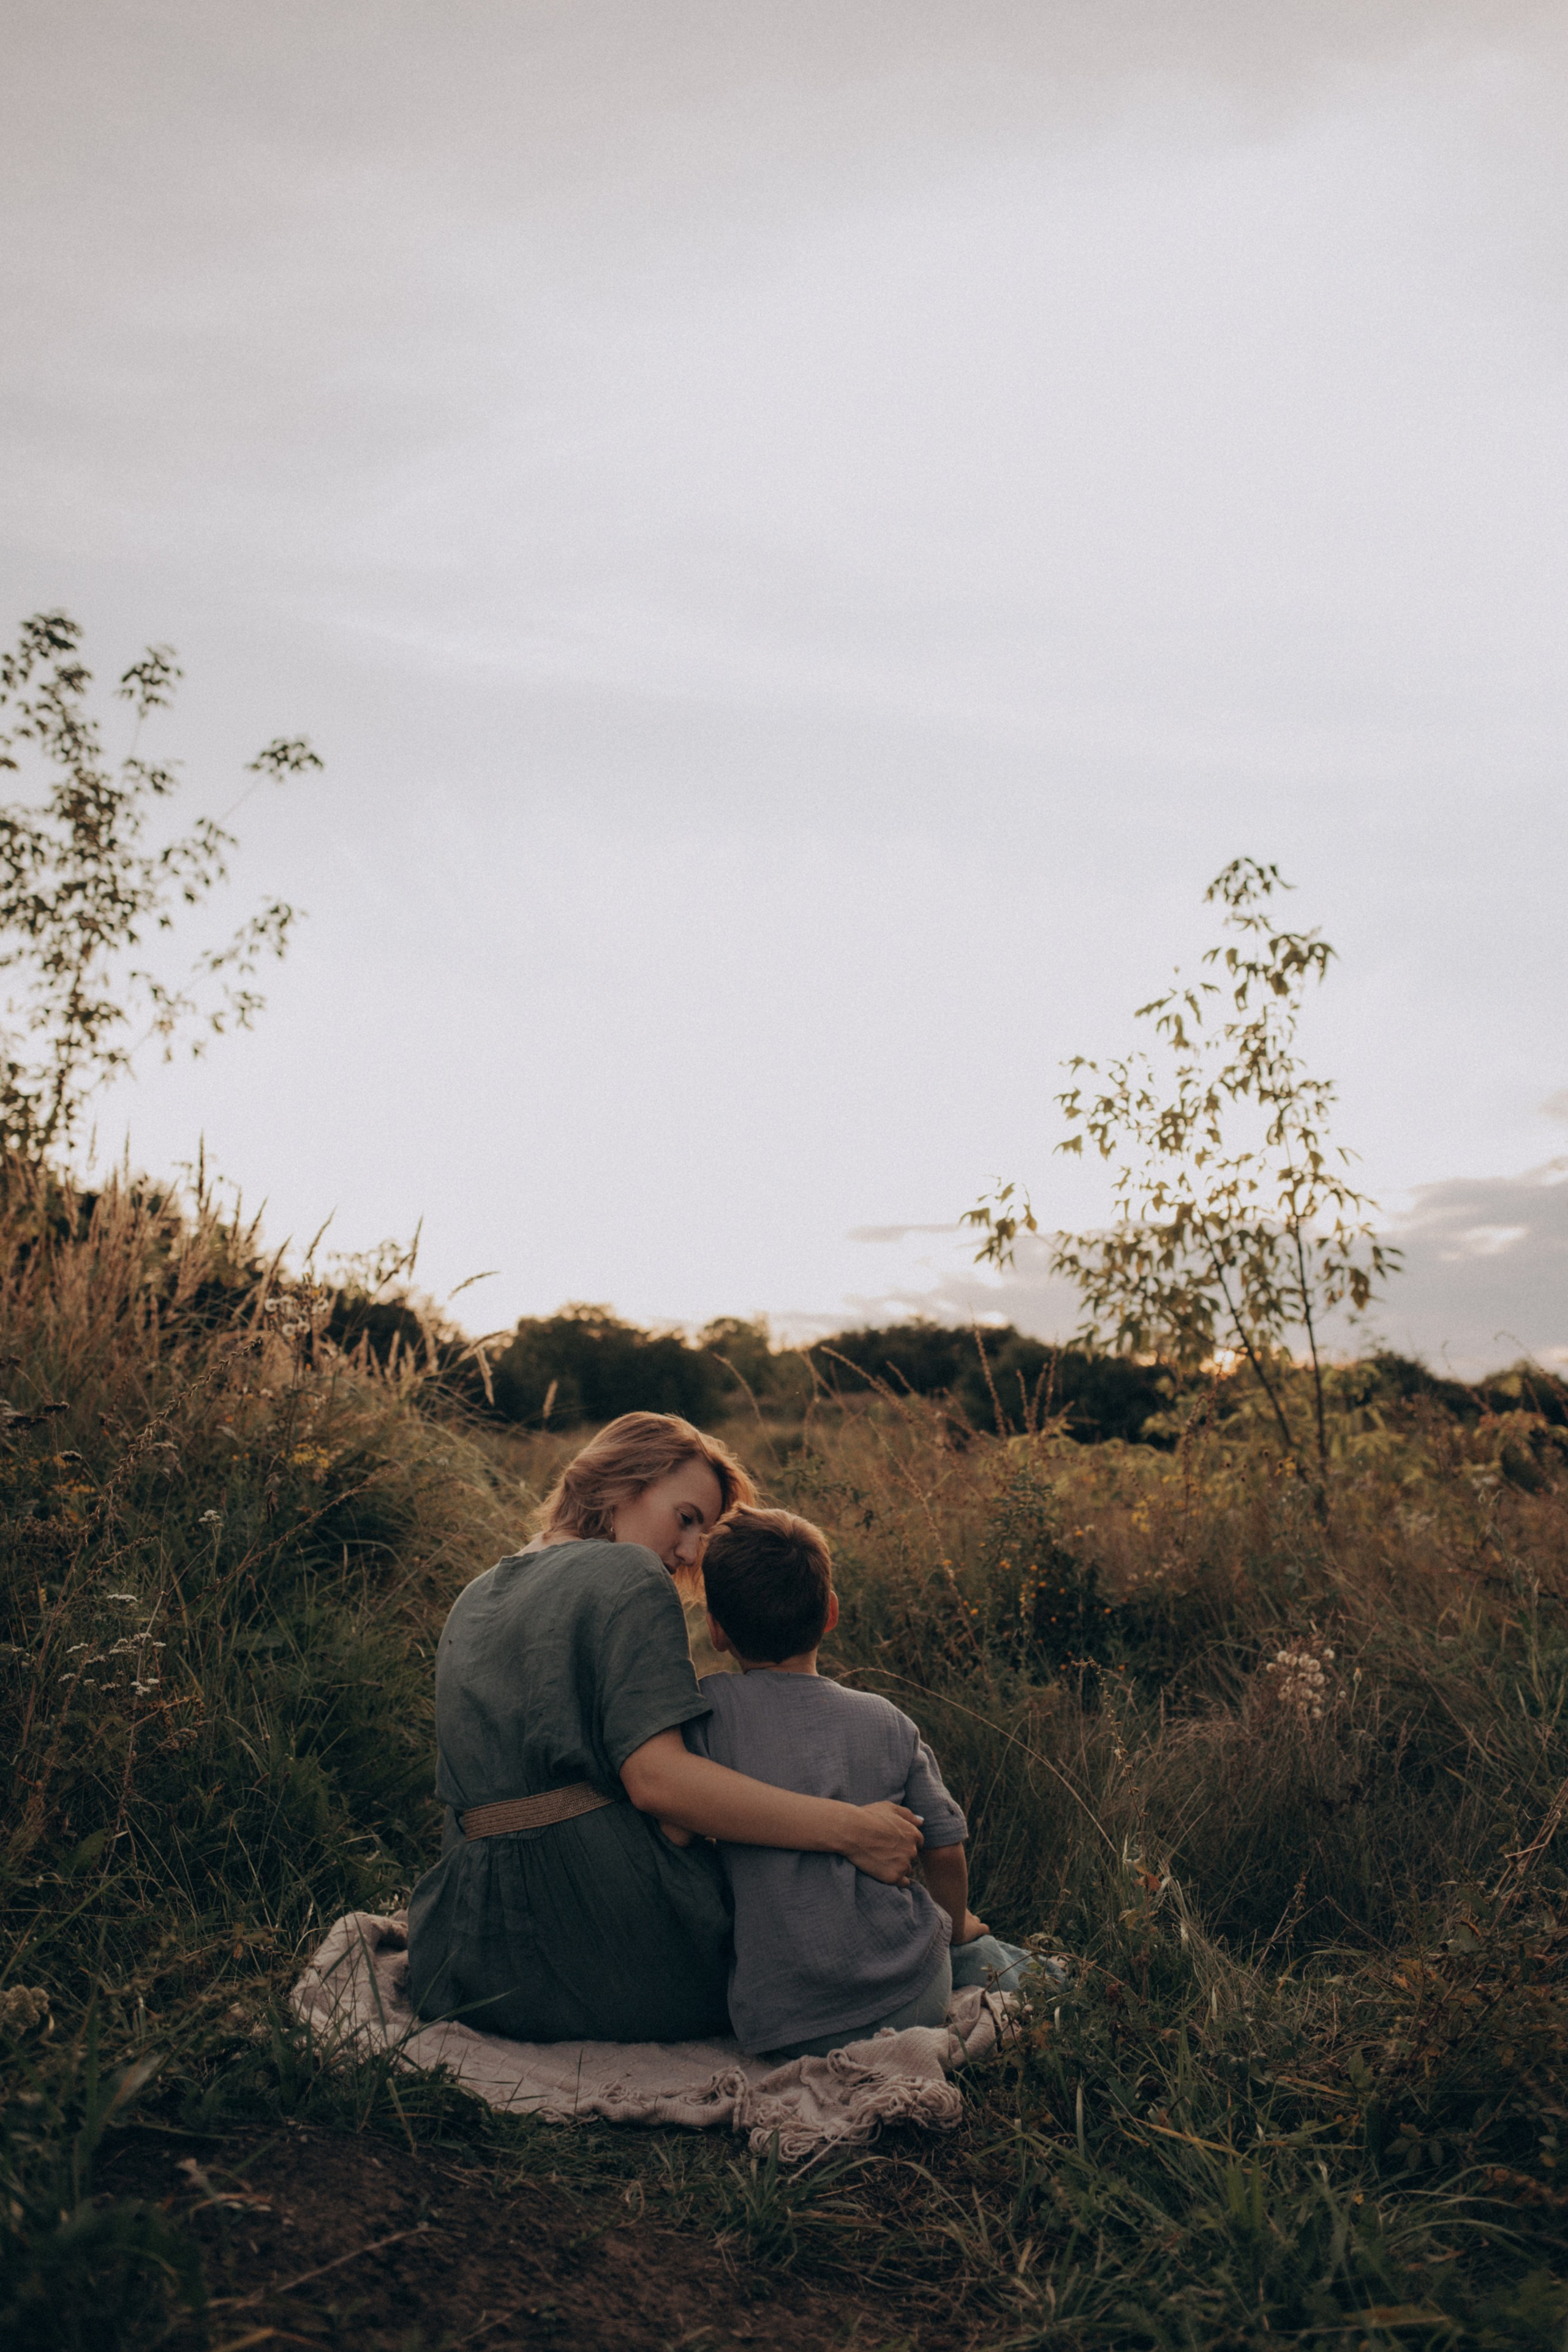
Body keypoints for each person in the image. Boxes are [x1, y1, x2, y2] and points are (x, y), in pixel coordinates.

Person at [404, 1414, 924, 2044]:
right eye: (686, 1518)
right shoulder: (627, 1573)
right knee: (793, 1935)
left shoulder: (477, 1591)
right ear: (625, 1482)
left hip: (461, 1956)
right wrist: (853, 1831)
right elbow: (658, 1781)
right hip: (601, 1948)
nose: (689, 1553)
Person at [677, 1505, 1039, 2061]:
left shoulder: (706, 1715)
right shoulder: (886, 1720)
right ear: (831, 1614)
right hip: (913, 1997)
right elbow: (944, 1847)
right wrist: (959, 1921)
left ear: (717, 1631)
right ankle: (1027, 1973)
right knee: (965, 1947)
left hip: (783, 2026)